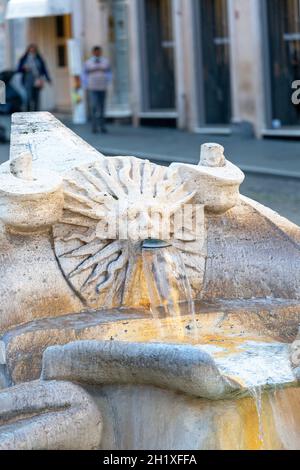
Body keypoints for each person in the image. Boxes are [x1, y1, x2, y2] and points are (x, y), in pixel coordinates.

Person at [84, 46, 111, 133]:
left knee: (102, 107)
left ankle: (102, 126)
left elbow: (108, 71)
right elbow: (84, 73)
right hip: (92, 87)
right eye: (96, 52)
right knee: (94, 106)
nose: (98, 53)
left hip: (102, 86)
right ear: (93, 52)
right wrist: (86, 84)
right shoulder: (88, 62)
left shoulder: (105, 61)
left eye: (99, 52)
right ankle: (94, 126)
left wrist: (108, 81)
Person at [17, 44, 51, 112]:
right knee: (28, 98)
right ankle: (28, 113)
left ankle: (36, 113)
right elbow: (18, 69)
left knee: (36, 98)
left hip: (37, 80)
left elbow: (44, 69)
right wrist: (24, 68)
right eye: (31, 50)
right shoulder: (24, 58)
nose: (32, 52)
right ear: (28, 50)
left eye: (33, 50)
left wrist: (48, 78)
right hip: (28, 80)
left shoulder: (39, 58)